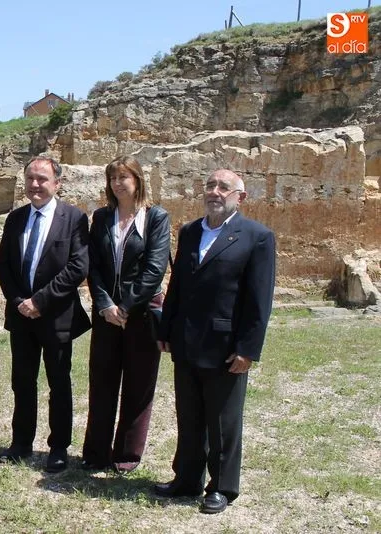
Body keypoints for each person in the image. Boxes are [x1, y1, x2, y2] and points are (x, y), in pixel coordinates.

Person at [154, 169, 276, 514]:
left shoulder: (257, 237)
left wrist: (248, 349)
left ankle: (222, 487)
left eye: (224, 187)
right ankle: (186, 479)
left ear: (241, 197)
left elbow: (259, 299)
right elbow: (177, 285)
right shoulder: (190, 231)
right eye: (210, 185)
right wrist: (166, 330)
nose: (215, 192)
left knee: (223, 421)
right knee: (189, 415)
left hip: (225, 345)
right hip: (186, 340)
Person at [0, 156, 91, 473]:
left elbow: (78, 267)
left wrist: (40, 301)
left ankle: (58, 447)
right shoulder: (16, 218)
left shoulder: (73, 218)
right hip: (21, 317)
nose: (35, 184)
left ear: (57, 183)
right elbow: (3, 265)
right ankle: (21, 443)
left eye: (42, 179)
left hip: (56, 316)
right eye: (30, 178)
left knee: (59, 383)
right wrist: (19, 301)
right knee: (22, 382)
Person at [81, 155, 171, 475]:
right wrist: (105, 304)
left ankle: (127, 454)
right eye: (113, 178)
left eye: (124, 177)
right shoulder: (102, 217)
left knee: (138, 384)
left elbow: (155, 268)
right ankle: (96, 453)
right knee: (102, 383)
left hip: (142, 313)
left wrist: (126, 307)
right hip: (106, 314)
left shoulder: (156, 217)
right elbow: (93, 265)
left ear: (138, 179)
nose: (118, 183)